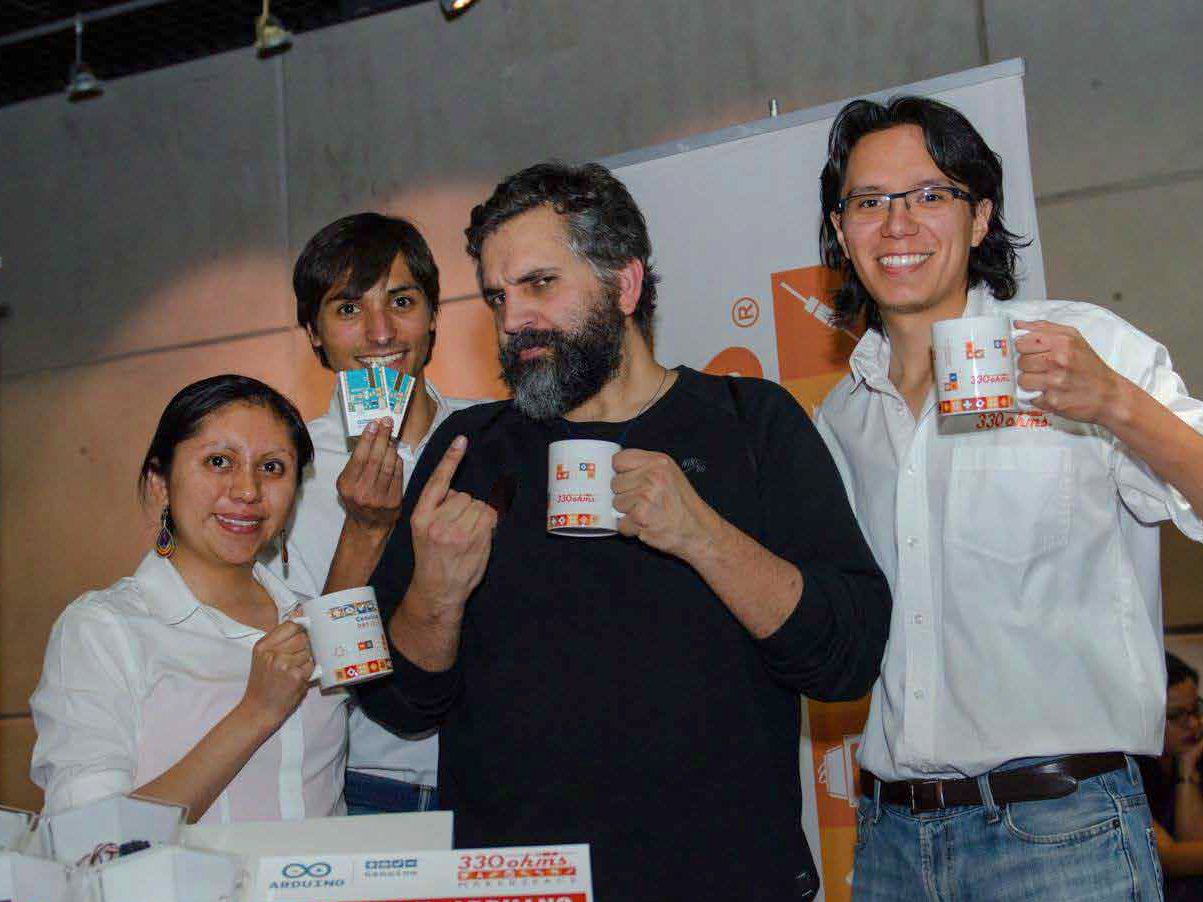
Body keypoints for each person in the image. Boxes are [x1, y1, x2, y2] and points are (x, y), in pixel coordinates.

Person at [357, 161, 892, 902]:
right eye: (497, 296)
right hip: (518, 886)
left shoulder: (750, 424)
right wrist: (436, 595)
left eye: (540, 284)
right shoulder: (470, 451)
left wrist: (702, 536)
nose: (512, 320)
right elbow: (397, 702)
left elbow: (846, 659)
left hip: (726, 883)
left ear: (626, 284)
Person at [811, 95, 1203, 900]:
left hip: (1062, 832)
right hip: (889, 838)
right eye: (868, 202)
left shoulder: (1078, 345)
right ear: (841, 231)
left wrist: (1115, 403)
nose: (897, 224)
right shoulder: (841, 414)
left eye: (930, 194)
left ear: (980, 216)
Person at [30, 375, 345, 823]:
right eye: (219, 462)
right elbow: (88, 835)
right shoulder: (103, 628)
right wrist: (256, 712)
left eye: (273, 467)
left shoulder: (310, 616)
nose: (248, 491)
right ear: (160, 482)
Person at [260, 213, 481, 815]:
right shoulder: (284, 470)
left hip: (495, 782)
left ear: (434, 315)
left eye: (402, 301)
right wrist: (364, 529)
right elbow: (301, 666)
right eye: (349, 308)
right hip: (362, 786)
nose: (380, 332)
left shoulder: (492, 436)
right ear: (313, 332)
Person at [1138, 652, 1203, 901]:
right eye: (1176, 716)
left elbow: (1194, 845)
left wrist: (1186, 770)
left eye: (1195, 710)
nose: (1194, 724)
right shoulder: (1126, 768)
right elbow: (1168, 859)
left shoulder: (1191, 753)